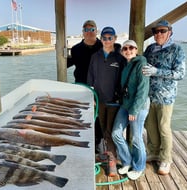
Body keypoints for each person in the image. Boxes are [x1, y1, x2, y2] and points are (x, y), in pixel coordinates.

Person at [142, 20, 186, 175]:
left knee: (164, 127)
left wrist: (156, 71)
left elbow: (180, 74)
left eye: (162, 31)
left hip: (166, 98)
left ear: (170, 32)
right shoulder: (149, 49)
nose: (158, 34)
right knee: (150, 126)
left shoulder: (177, 49)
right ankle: (153, 152)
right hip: (149, 96)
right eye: (155, 31)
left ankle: (166, 159)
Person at [87, 26, 126, 177]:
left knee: (111, 131)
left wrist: (120, 97)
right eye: (104, 38)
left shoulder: (120, 58)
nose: (107, 40)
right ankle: (109, 154)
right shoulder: (95, 56)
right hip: (99, 101)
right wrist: (92, 97)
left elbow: (124, 80)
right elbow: (90, 78)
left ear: (115, 39)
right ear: (101, 39)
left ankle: (112, 161)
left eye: (110, 38)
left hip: (114, 102)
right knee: (103, 129)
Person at [111, 40, 150, 180]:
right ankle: (127, 161)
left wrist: (134, 111)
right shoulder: (126, 65)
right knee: (116, 133)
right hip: (125, 104)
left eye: (131, 48)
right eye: (125, 48)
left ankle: (139, 166)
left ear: (137, 49)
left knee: (136, 137)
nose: (128, 50)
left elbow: (143, 90)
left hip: (138, 106)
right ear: (122, 51)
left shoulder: (142, 64)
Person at [67, 20, 103, 151]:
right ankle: (82, 137)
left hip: (99, 87)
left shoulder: (103, 46)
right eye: (86, 30)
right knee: (81, 113)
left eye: (92, 29)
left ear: (96, 31)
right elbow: (65, 64)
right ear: (83, 33)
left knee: (98, 115)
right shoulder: (76, 49)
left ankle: (98, 141)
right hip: (81, 86)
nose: (89, 32)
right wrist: (60, 55)